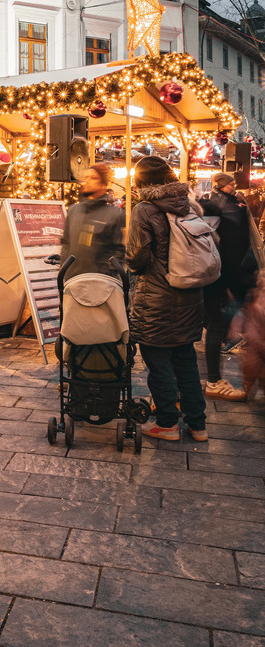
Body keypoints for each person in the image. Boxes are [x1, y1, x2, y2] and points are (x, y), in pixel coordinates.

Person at [125, 156, 207, 442]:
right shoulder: (189, 206)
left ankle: (167, 423)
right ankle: (198, 425)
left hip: (157, 300)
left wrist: (128, 263)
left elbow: (138, 257)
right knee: (186, 361)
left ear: (140, 182)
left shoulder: (144, 210)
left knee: (158, 364)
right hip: (190, 297)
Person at [199, 172, 251, 401]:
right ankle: (213, 379)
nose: (234, 186)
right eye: (231, 183)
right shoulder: (229, 208)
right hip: (220, 277)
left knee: (211, 324)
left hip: (210, 275)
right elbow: (233, 247)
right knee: (216, 325)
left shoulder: (211, 206)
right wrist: (232, 283)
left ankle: (203, 380)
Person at [60, 163, 125, 281]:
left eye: (93, 178)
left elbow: (118, 252)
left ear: (103, 185)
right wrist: (64, 271)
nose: (87, 181)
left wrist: (106, 275)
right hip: (72, 281)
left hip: (100, 284)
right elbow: (66, 243)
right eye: (86, 177)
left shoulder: (114, 214)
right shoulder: (74, 210)